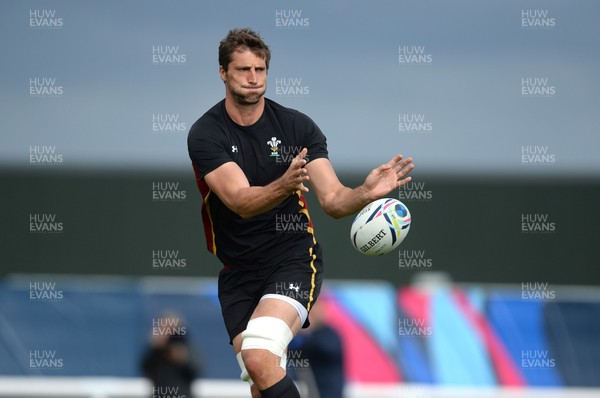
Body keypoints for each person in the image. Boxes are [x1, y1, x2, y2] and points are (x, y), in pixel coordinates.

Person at [187, 27, 414, 398]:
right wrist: (284, 183)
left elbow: (334, 201)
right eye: (243, 70)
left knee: (259, 355)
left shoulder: (297, 127)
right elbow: (240, 201)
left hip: (292, 257)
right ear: (223, 73)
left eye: (260, 70)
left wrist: (365, 192)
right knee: (261, 379)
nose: (253, 78)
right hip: (238, 272)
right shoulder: (205, 134)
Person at [141, 312, 200, 398]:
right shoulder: (156, 348)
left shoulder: (187, 346)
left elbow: (196, 369)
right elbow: (145, 367)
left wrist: (183, 359)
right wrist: (155, 348)